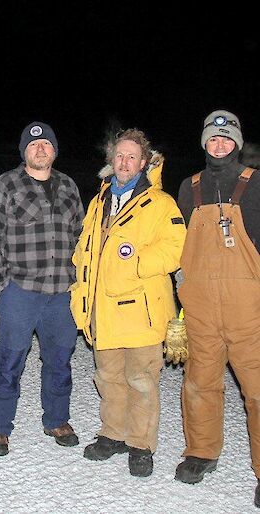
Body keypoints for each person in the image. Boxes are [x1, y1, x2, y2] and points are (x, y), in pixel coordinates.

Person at [70, 128, 186, 477]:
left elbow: (176, 248)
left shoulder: (160, 203)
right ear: (112, 160)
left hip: (141, 311)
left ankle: (140, 444)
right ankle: (112, 434)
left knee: (141, 379)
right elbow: (86, 247)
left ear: (143, 162)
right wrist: (80, 283)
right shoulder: (99, 200)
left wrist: (136, 263)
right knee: (107, 377)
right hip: (102, 310)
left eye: (131, 156)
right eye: (119, 155)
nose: (124, 162)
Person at [0, 121, 84, 456]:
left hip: (62, 294)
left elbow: (82, 237)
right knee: (10, 360)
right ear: (24, 151)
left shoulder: (68, 186)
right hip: (20, 292)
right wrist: (4, 284)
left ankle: (57, 419)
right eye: (33, 145)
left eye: (46, 144)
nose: (40, 149)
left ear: (54, 150)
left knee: (59, 360)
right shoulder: (6, 185)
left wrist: (80, 278)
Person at [175, 109, 260, 508]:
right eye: (213, 138)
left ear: (238, 143)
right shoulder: (188, 187)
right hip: (202, 308)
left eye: (227, 138)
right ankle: (201, 451)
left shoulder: (257, 184)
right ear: (204, 143)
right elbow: (178, 249)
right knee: (199, 384)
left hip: (250, 310)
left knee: (259, 392)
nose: (220, 144)